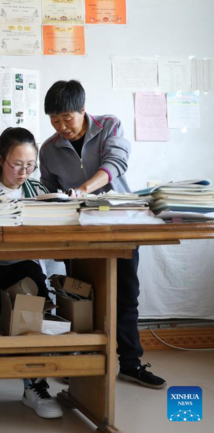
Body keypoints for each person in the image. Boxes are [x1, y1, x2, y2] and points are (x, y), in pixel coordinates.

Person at [40, 80, 166, 390]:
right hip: (78, 231)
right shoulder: (48, 149)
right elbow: (48, 188)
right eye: (54, 120)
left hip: (121, 225)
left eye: (67, 117)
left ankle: (130, 364)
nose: (61, 126)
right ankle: (81, 360)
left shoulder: (109, 125)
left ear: (83, 109)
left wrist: (82, 190)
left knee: (125, 296)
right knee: (78, 295)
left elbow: (116, 163)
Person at [0, 127, 64, 419]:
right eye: (16, 164)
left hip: (22, 265)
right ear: (0, 159)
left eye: (29, 165)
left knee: (34, 287)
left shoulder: (37, 191)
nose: (23, 172)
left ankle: (34, 385)